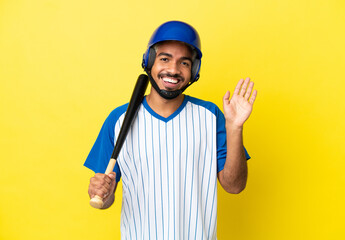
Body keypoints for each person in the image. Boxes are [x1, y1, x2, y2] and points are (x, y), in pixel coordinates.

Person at [84, 20, 257, 239]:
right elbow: (105, 199)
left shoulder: (211, 116)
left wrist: (234, 128)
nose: (173, 70)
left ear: (193, 70)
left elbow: (234, 186)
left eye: (184, 63)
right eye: (165, 59)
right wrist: (101, 193)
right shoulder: (118, 119)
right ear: (149, 62)